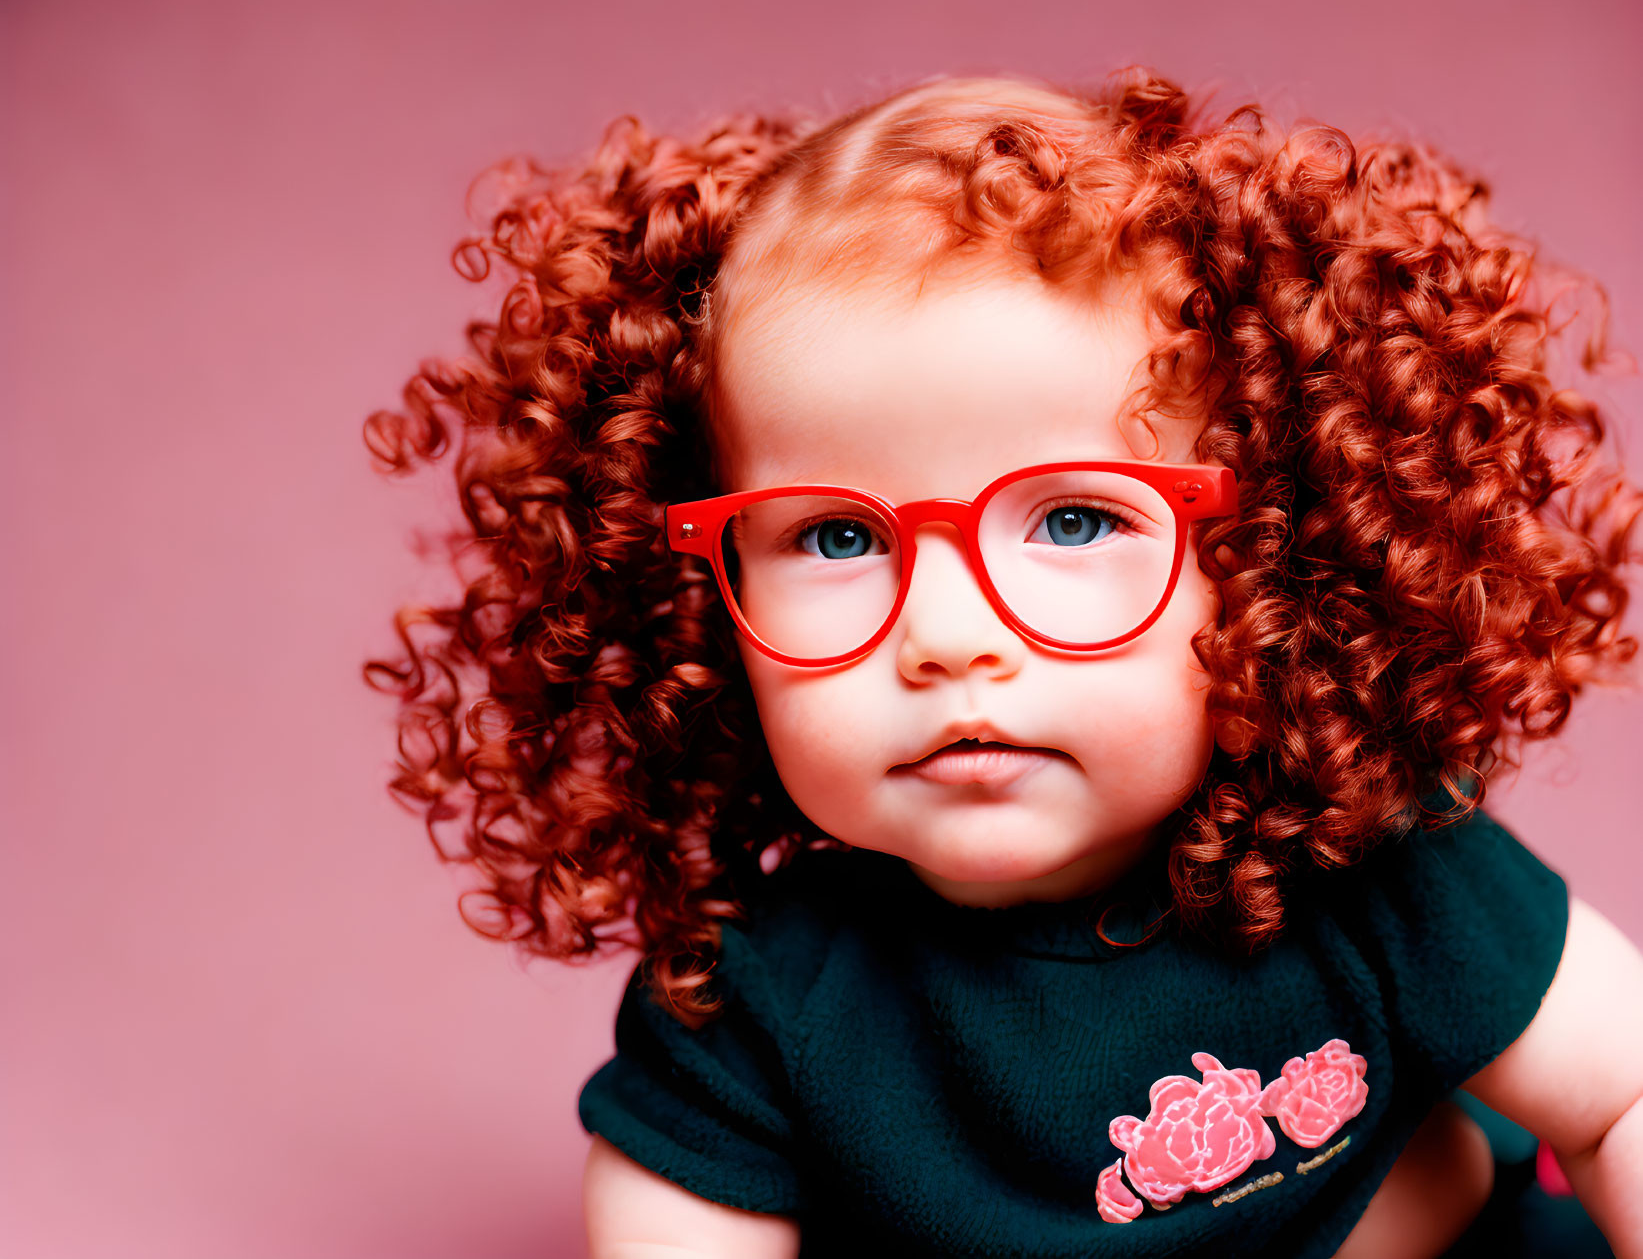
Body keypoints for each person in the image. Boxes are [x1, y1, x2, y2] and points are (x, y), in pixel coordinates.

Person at [363, 68, 1643, 1257]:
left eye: (1073, 520)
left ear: (1258, 554)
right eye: (835, 535)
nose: (945, 634)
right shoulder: (756, 1006)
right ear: (711, 592)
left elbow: (1617, 1095)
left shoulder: (1377, 872)